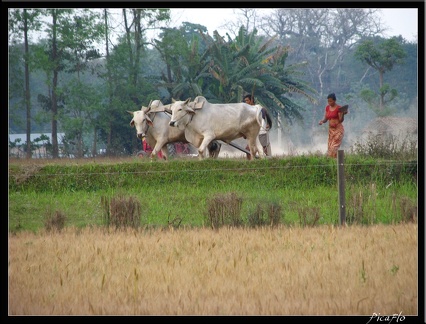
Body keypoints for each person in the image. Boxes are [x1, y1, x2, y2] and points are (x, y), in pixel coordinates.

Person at [318, 93, 346, 158]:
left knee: (334, 146)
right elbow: (326, 118)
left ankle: (335, 161)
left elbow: (341, 120)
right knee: (330, 147)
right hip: (331, 130)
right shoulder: (327, 108)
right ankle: (334, 161)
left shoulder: (339, 108)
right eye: (328, 101)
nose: (329, 102)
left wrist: (343, 114)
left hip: (338, 130)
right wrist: (322, 121)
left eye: (330, 101)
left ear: (334, 100)